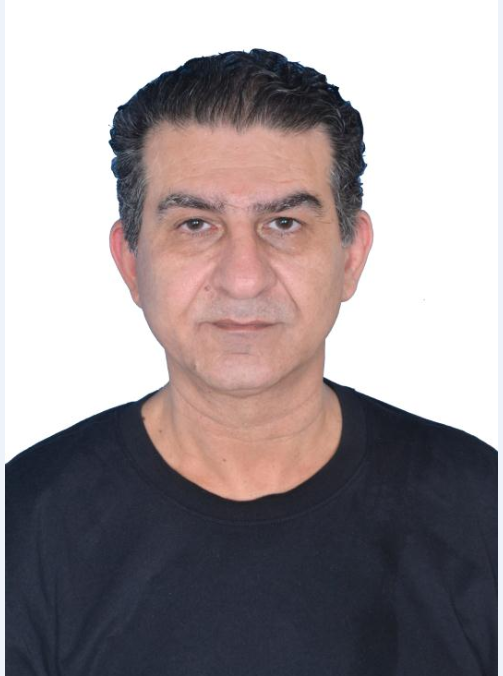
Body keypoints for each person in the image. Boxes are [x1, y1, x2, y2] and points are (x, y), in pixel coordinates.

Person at [6, 49, 496, 675]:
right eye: (195, 225)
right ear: (130, 262)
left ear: (350, 255)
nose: (243, 278)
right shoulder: (23, 522)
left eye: (284, 223)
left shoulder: (482, 507)